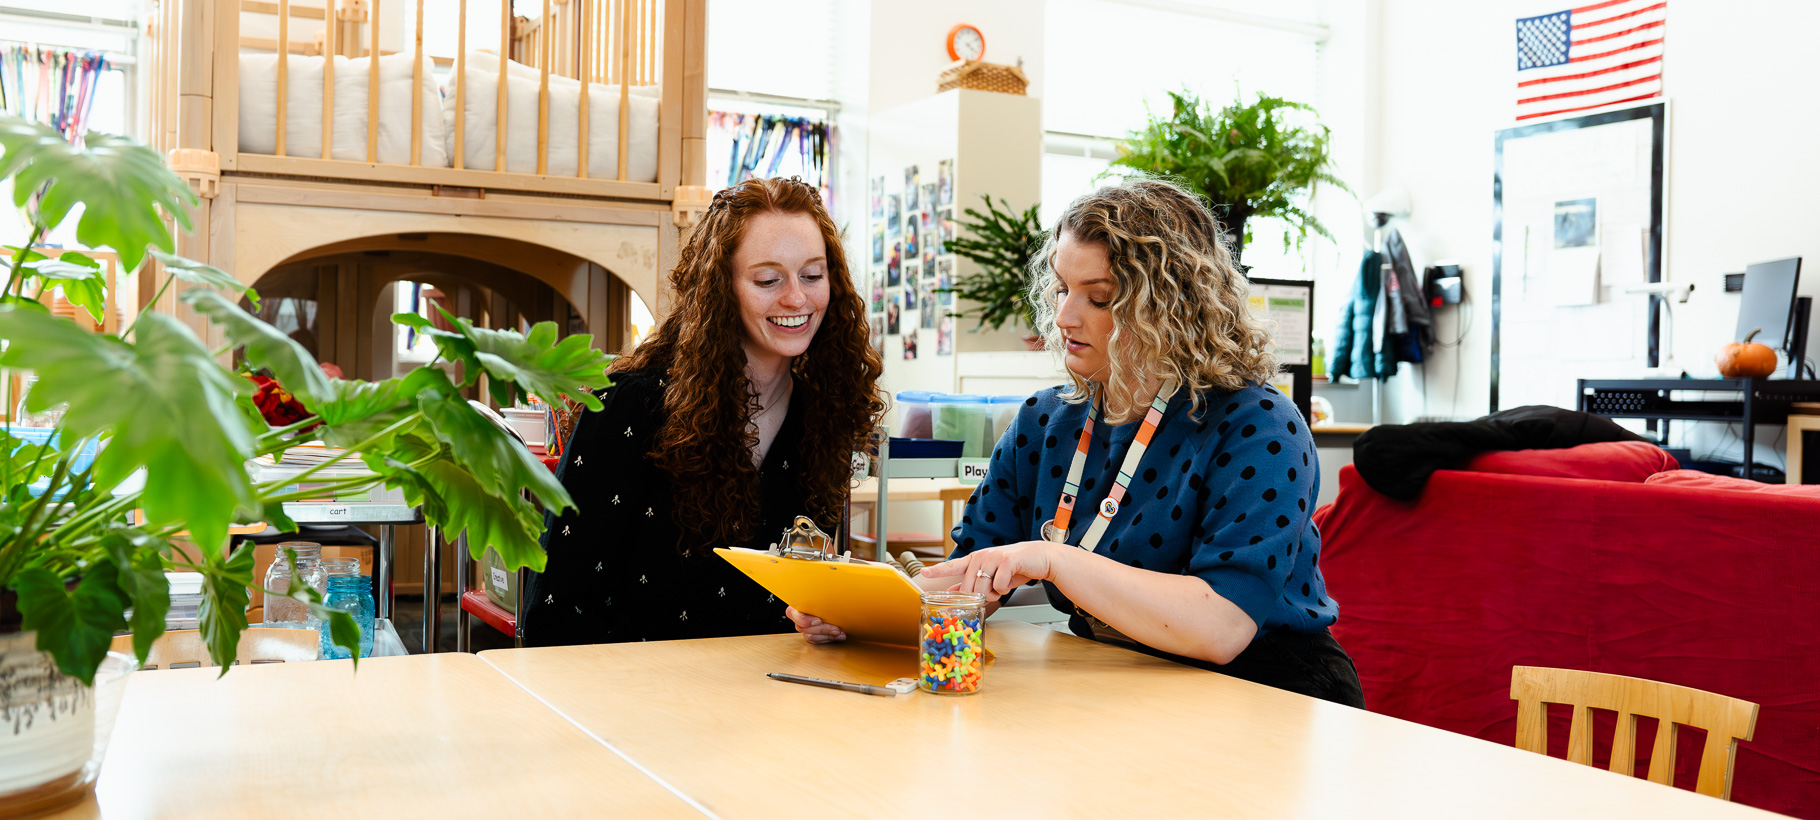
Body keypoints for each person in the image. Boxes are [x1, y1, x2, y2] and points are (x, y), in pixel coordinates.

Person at [789, 179, 1365, 707]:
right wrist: (859, 609)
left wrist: (1054, 560)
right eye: (1063, 287)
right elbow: (972, 576)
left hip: (1268, 692)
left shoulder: (1260, 424)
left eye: (1099, 296)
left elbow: (1221, 629)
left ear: (1170, 306)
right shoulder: (1046, 421)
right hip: (1122, 686)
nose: (1064, 314)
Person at [523, 177, 885, 645]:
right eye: (768, 280)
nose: (797, 298)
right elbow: (555, 615)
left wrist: (827, 620)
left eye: (813, 275)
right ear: (721, 289)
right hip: (632, 700)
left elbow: (800, 604)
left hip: (772, 697)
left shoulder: (824, 414)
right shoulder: (627, 406)